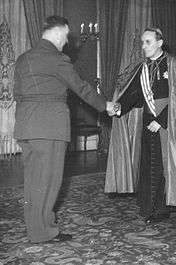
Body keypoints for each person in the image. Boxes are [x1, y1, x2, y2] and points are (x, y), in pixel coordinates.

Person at [14, 15, 115, 243]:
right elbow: (81, 87)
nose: (66, 42)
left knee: (33, 181)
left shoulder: (23, 59)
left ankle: (37, 228)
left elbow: (17, 93)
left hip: (25, 127)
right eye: (66, 36)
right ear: (59, 32)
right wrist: (104, 105)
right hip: (49, 127)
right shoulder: (56, 58)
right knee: (48, 181)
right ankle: (43, 233)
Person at [106, 28, 176, 223]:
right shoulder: (141, 68)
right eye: (143, 42)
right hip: (147, 121)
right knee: (149, 165)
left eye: (148, 42)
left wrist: (161, 120)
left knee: (165, 165)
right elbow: (134, 95)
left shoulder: (175, 65)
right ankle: (150, 207)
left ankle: (161, 209)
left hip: (170, 122)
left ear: (160, 43)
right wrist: (118, 108)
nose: (143, 46)